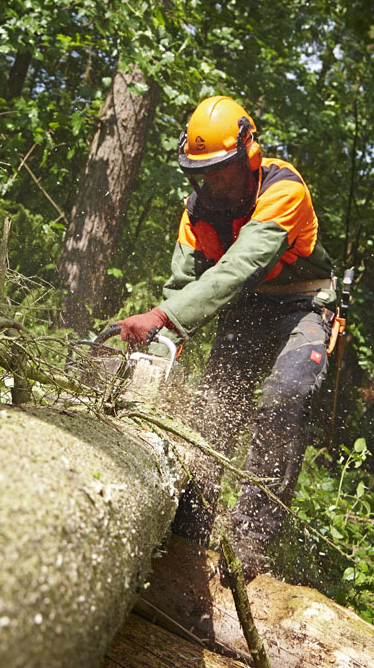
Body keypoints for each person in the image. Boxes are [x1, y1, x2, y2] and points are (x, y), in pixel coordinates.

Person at [116, 95, 336, 577]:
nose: (211, 180)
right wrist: (156, 338)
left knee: (287, 394)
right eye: (202, 171)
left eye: (220, 168)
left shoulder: (283, 188)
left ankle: (250, 539)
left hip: (302, 303)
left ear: (247, 156)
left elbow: (241, 266)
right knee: (215, 406)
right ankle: (188, 527)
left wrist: (164, 316)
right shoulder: (196, 210)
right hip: (247, 307)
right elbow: (182, 284)